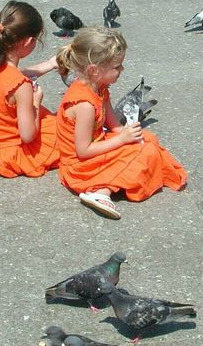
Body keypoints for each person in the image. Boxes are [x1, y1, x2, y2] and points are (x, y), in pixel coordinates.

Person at [55, 27, 187, 219]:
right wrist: (123, 140)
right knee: (145, 153)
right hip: (79, 167)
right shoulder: (84, 105)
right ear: (94, 70)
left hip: (96, 149)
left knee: (148, 139)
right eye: (116, 67)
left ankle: (115, 178)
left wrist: (129, 136)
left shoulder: (100, 88)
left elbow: (115, 126)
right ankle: (102, 191)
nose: (122, 70)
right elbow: (82, 151)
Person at [0, 0, 59, 178]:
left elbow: (12, 77)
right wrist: (36, 101)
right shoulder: (22, 87)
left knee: (50, 119)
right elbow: (28, 136)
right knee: (66, 132)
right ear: (28, 42)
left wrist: (50, 64)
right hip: (9, 153)